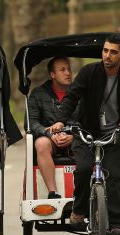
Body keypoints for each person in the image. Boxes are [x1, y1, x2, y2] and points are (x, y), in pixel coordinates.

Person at [50, 34, 120, 235]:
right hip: (86, 131)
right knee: (82, 169)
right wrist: (60, 120)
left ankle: (118, 224)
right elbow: (72, 97)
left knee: (115, 176)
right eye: (105, 50)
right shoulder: (88, 72)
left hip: (114, 133)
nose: (107, 55)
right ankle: (79, 210)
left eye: (113, 52)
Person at [27, 56, 76, 199]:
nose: (68, 73)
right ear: (52, 74)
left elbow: (85, 120)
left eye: (69, 69)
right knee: (41, 143)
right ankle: (53, 193)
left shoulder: (78, 92)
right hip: (49, 139)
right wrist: (49, 134)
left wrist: (72, 135)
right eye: (62, 70)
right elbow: (30, 123)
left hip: (74, 138)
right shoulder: (38, 94)